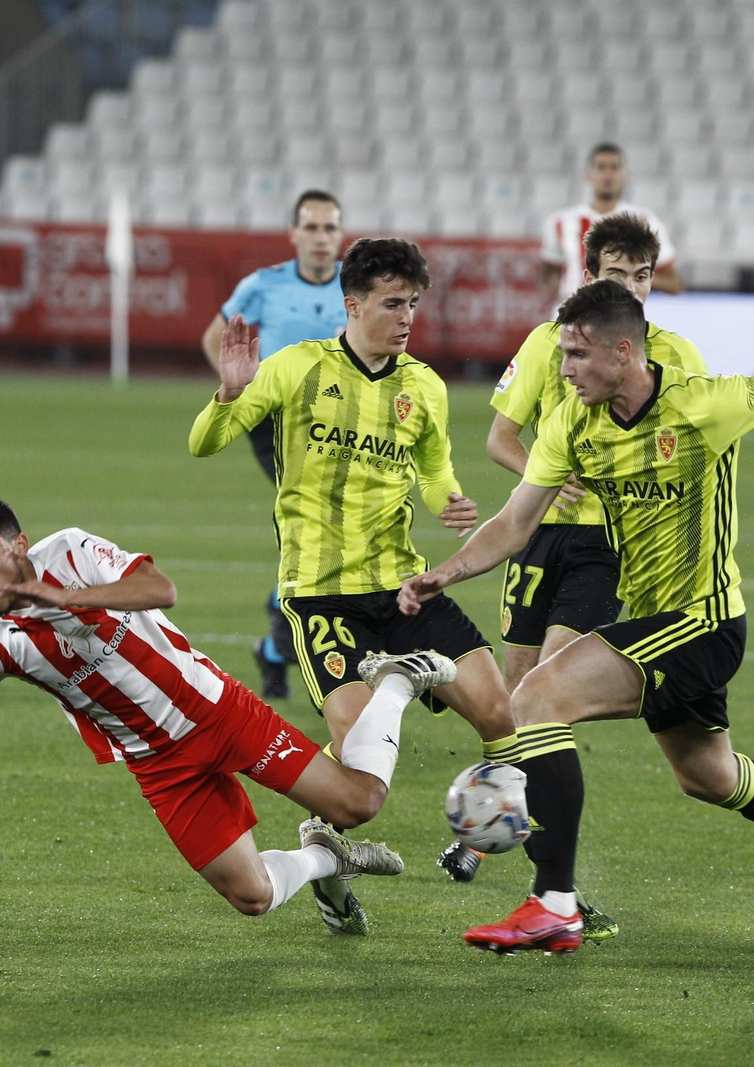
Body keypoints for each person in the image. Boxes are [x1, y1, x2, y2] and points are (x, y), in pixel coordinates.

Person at [398, 280, 754, 952]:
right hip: (657, 624)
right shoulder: (574, 421)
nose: (564, 366)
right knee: (707, 775)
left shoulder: (704, 403)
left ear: (623, 352)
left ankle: (553, 902)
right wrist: (448, 571)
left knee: (536, 697)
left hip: (705, 622)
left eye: (577, 354)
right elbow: (516, 520)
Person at [0, 497, 456, 922]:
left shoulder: (73, 552)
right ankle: (325, 860)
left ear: (19, 544)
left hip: (216, 711)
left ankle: (396, 683)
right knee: (252, 897)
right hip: (158, 764)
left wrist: (63, 598)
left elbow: (161, 589)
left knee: (360, 802)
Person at [189, 238, 515, 936]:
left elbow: (433, 465)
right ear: (353, 304)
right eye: (393, 303)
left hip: (402, 588)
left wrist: (450, 498)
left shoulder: (422, 386)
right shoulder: (297, 368)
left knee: (499, 716)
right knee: (354, 776)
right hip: (320, 597)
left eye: (414, 304)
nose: (406, 317)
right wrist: (229, 394)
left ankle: (474, 838)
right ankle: (330, 873)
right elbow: (204, 443)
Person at [437, 214, 710, 890]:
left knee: (544, 690)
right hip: (536, 535)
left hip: (609, 544)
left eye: (642, 275)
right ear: (590, 274)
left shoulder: (676, 355)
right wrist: (547, 475)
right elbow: (501, 437)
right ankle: (490, 824)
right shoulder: (544, 343)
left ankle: (550, 880)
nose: (632, 286)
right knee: (511, 698)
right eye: (618, 273)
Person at [201, 190, 348, 701]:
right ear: (294, 234)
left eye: (330, 228)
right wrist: (237, 390)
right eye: (311, 227)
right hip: (279, 423)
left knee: (336, 526)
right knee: (321, 521)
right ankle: (298, 632)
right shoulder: (263, 285)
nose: (321, 237)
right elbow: (214, 335)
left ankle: (276, 643)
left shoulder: (357, 286)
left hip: (340, 425)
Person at [539, 142, 682, 313]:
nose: (608, 175)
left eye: (614, 168)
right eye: (601, 167)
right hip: (569, 321)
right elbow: (549, 273)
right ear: (589, 174)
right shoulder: (560, 223)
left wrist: (630, 276)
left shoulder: (645, 222)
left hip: (621, 322)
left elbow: (674, 284)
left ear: (624, 175)